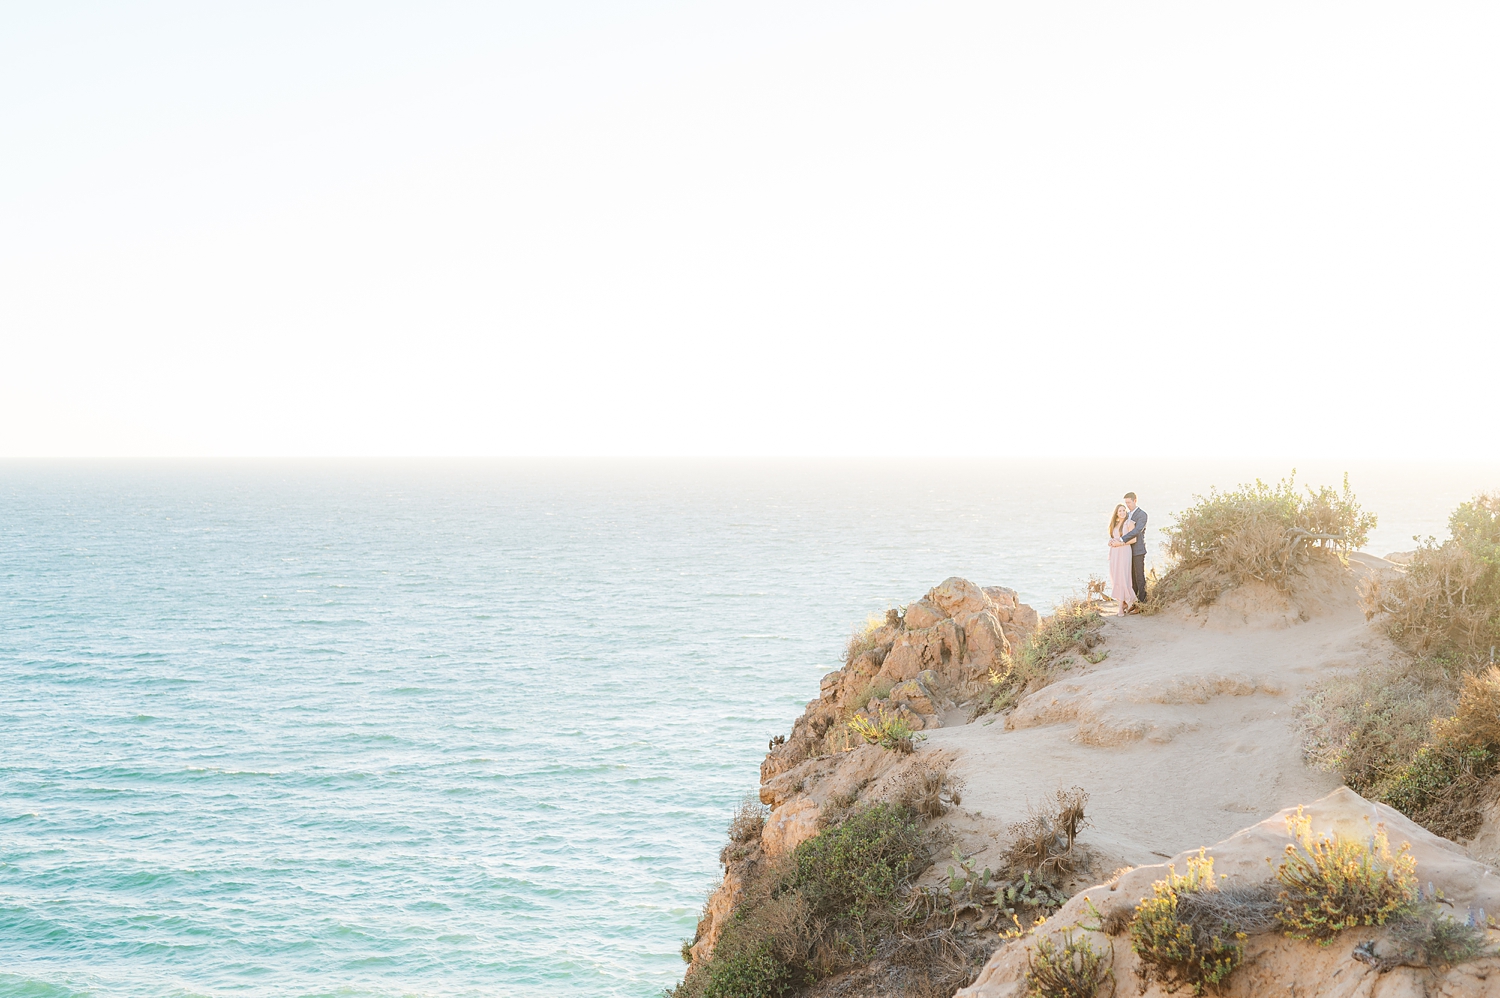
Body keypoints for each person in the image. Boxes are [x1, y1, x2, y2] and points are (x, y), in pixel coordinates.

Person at [1107, 504, 1137, 614]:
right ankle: (1123, 603)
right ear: (1116, 513)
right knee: (1116, 577)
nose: (1122, 512)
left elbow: (1133, 540)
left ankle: (1120, 607)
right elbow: (1113, 537)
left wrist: (1119, 544)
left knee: (1123, 577)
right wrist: (1110, 542)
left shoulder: (1129, 523)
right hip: (1115, 553)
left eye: (1124, 510)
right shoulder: (1114, 525)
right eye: (1120, 511)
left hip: (1124, 551)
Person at [1119, 491, 1148, 607]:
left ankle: (1143, 602)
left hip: (1138, 550)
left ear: (1135, 501)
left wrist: (1122, 539)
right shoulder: (1127, 515)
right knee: (1130, 577)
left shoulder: (1142, 515)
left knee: (1139, 576)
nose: (1127, 505)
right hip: (1127, 550)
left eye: (1129, 502)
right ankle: (1134, 601)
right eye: (1126, 503)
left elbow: (1137, 531)